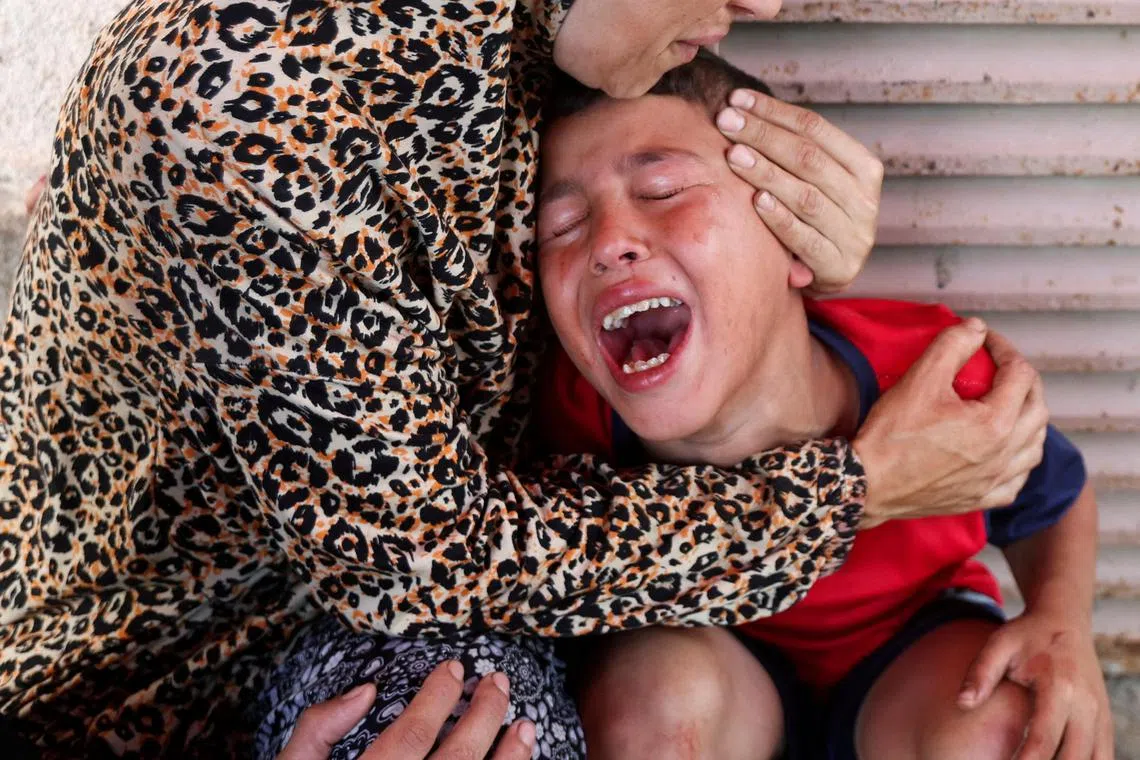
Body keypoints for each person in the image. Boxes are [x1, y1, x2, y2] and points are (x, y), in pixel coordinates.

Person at [0, 0, 1049, 757]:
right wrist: (845, 492)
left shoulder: (509, 41)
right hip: (163, 695)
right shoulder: (246, 92)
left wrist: (784, 249)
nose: (763, 7)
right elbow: (413, 565)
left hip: (424, 600)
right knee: (451, 717)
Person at [532, 51, 1113, 760]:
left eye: (662, 189)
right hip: (713, 650)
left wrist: (1061, 620)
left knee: (1011, 731)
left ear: (796, 240)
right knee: (649, 716)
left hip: (912, 647)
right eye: (560, 227)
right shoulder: (568, 416)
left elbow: (1054, 493)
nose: (607, 243)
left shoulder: (930, 372)